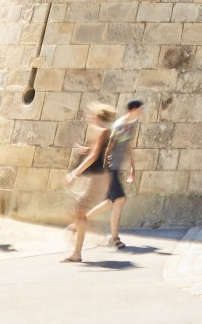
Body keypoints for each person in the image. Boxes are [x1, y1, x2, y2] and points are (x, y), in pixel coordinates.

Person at [61, 102, 114, 263]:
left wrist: (74, 174)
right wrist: (85, 150)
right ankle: (85, 233)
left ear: (97, 116)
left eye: (90, 115)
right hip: (91, 175)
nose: (87, 117)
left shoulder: (101, 131)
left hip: (95, 177)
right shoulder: (97, 131)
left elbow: (95, 156)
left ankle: (80, 248)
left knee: (79, 211)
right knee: (76, 211)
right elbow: (95, 153)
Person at [88, 98, 142, 249]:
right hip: (110, 168)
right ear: (133, 109)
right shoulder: (120, 125)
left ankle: (79, 222)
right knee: (120, 200)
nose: (142, 112)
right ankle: (114, 238)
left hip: (116, 167)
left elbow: (129, 145)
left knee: (109, 202)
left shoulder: (131, 125)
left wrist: (132, 166)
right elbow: (109, 147)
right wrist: (105, 169)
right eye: (140, 109)